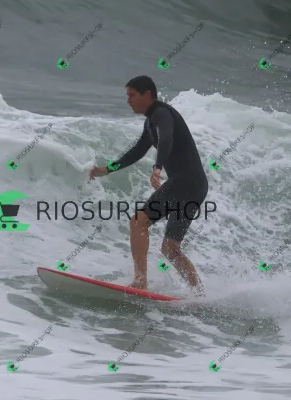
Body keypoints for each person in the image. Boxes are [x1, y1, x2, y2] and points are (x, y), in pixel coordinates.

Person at [89, 75, 208, 297]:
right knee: (170, 249)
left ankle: (140, 281)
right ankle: (200, 295)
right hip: (196, 185)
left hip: (185, 181)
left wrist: (158, 167)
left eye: (132, 95)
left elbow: (166, 138)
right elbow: (137, 151)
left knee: (138, 221)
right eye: (127, 96)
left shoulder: (162, 114)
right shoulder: (150, 122)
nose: (128, 100)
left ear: (148, 95)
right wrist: (107, 169)